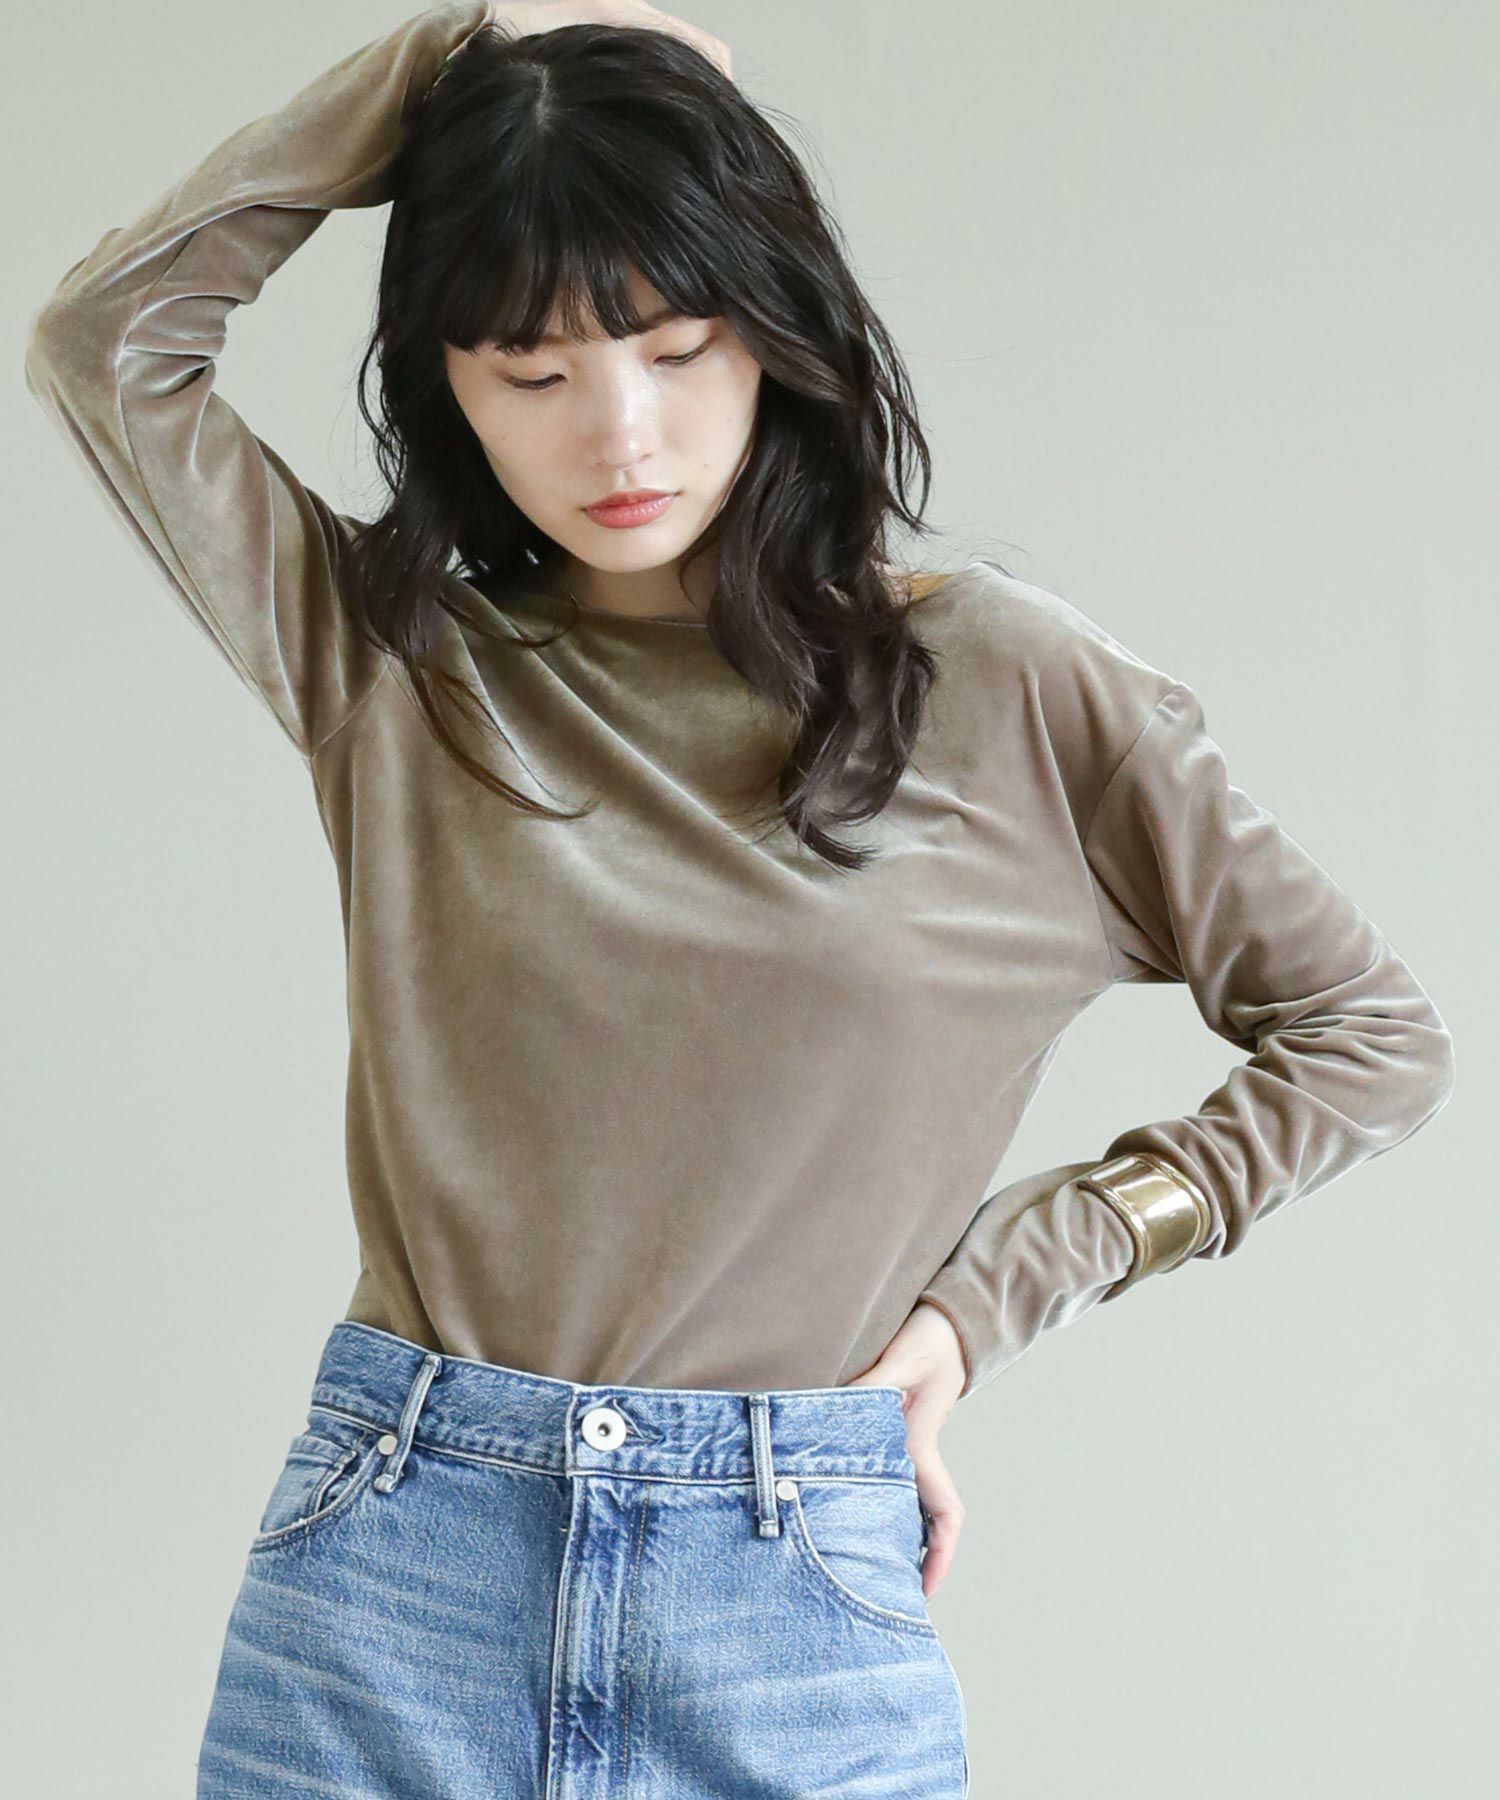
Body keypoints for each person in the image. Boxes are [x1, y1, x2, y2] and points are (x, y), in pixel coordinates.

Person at [22, 2, 1456, 1795]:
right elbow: (103, 339)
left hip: (786, 1597)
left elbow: (1369, 1035)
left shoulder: (1004, 685)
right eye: (531, 372)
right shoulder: (393, 666)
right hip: (393, 1577)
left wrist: (997, 1294)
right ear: (449, 385)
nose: (618, 433)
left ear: (776, 329)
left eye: (678, 346)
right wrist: (459, 60)